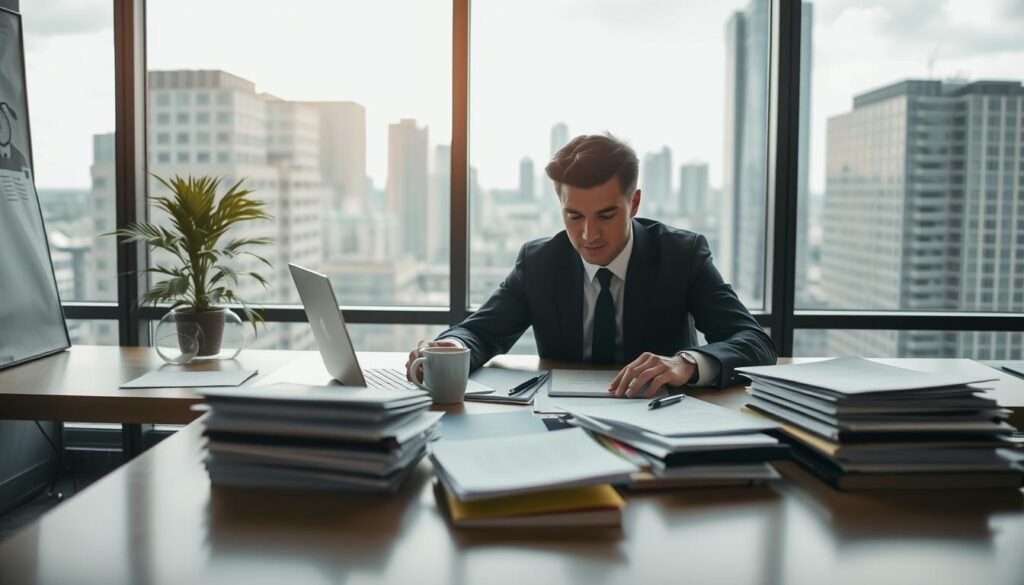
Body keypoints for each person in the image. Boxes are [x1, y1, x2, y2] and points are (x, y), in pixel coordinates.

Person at [406, 133, 775, 397]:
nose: (588, 234)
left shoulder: (681, 255)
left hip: (661, 417)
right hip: (561, 423)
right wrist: (449, 346)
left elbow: (756, 342)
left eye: (606, 215)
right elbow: (480, 333)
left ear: (634, 204)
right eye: (574, 216)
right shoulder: (539, 262)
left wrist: (687, 364)